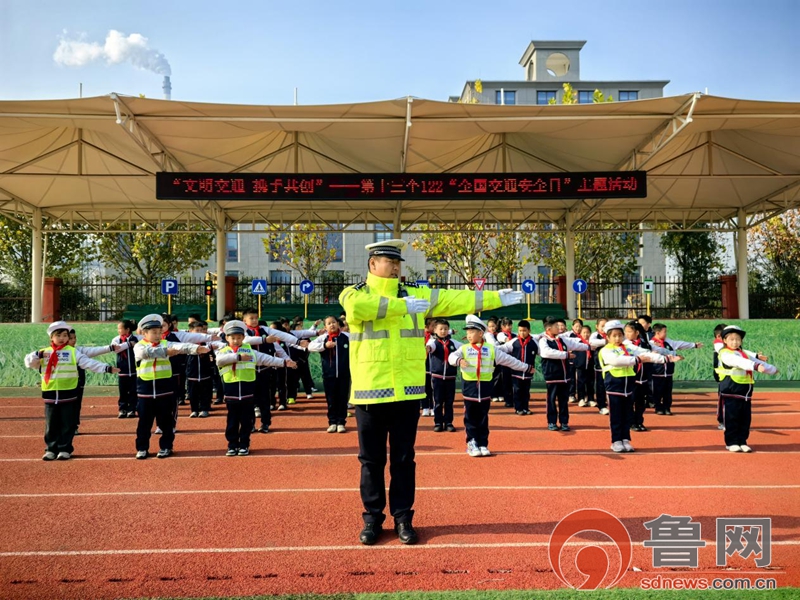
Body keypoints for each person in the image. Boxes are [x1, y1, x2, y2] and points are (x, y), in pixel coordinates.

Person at [339, 239, 524, 546]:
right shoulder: (356, 293)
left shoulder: (416, 292)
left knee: (403, 460)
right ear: (373, 265)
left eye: (398, 263)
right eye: (389, 262)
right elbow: (358, 310)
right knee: (371, 461)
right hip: (370, 393)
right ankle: (372, 519)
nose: (396, 268)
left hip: (408, 392)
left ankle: (402, 518)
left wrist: (494, 298)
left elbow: (453, 298)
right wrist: (401, 306)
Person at [24, 321, 120, 460]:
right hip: (50, 394)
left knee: (67, 423)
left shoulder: (73, 352)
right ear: (51, 338)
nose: (62, 338)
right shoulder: (44, 353)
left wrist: (107, 368)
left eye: (65, 335)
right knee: (51, 424)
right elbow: (29, 363)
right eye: (58, 335)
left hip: (68, 393)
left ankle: (64, 449)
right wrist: (36, 355)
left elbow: (88, 363)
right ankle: (51, 449)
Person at [449, 315, 533, 457]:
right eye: (467, 332)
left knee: (483, 417)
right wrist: (459, 360)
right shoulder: (463, 348)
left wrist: (526, 367)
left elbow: (510, 360)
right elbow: (451, 357)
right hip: (470, 389)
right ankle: (472, 442)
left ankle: (483, 444)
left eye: (471, 332)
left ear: (481, 333)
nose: (468, 335)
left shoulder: (491, 349)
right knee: (470, 417)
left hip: (486, 389)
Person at [216, 320, 297, 456]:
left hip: (247, 393)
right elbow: (219, 361)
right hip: (231, 393)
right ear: (227, 338)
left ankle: (244, 444)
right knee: (232, 420)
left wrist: (284, 362)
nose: (236, 340)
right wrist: (238, 357)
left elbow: (267, 359)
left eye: (239, 338)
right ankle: (232, 445)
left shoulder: (251, 352)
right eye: (232, 338)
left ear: (243, 338)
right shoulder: (222, 351)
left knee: (246, 420)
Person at [133, 314, 209, 459]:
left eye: (159, 332)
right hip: (145, 391)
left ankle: (166, 446)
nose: (157, 335)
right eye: (153, 332)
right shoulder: (139, 346)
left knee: (166, 421)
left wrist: (196, 349)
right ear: (144, 333)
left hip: (165, 390)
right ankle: (142, 448)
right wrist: (165, 352)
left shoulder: (166, 343)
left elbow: (181, 347)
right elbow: (144, 353)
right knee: (144, 422)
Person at [599, 320, 677, 453]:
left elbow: (645, 353)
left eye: (620, 335)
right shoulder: (606, 350)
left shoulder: (627, 347)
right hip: (614, 386)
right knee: (616, 416)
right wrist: (637, 359)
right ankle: (616, 441)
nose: (618, 338)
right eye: (614, 336)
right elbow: (617, 361)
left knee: (627, 414)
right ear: (608, 337)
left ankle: (625, 439)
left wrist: (665, 358)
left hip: (628, 386)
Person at [716, 325, 778, 453]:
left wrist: (772, 369)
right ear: (725, 341)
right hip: (731, 391)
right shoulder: (725, 353)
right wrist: (755, 366)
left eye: (738, 339)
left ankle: (742, 441)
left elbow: (758, 362)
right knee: (732, 418)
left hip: (745, 393)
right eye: (731, 339)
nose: (735, 342)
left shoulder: (743, 353)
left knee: (745, 418)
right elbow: (739, 362)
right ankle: (732, 442)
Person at [537, 316, 589, 431]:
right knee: (551, 400)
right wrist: (565, 355)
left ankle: (564, 422)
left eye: (560, 326)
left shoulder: (561, 339)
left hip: (564, 376)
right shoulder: (543, 340)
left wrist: (588, 347)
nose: (559, 328)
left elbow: (575, 345)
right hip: (552, 376)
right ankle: (551, 421)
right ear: (549, 328)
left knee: (563, 401)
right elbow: (546, 353)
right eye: (556, 326)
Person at [68, 328, 118, 435]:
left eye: (74, 338)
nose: (73, 340)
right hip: (63, 385)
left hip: (78, 383)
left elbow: (94, 351)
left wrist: (110, 348)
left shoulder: (78, 351)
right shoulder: (57, 353)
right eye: (70, 338)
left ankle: (73, 426)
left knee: (76, 405)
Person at [308, 316, 350, 433]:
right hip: (328, 375)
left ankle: (341, 422)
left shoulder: (346, 337)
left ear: (338, 324)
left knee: (342, 399)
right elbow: (310, 346)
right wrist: (324, 346)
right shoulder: (323, 338)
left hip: (344, 375)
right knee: (331, 400)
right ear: (325, 327)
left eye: (334, 322)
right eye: (329, 323)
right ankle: (332, 422)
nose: (332, 325)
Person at [649, 323, 702, 415]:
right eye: (664, 332)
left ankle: (667, 408)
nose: (666, 333)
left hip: (669, 372)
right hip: (657, 372)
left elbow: (681, 344)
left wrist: (694, 345)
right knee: (657, 392)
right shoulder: (650, 344)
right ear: (657, 332)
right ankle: (658, 408)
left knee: (668, 392)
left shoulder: (669, 342)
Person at [425, 318, 461, 432]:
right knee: (438, 401)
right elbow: (430, 347)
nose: (443, 331)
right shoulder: (432, 342)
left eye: (446, 329)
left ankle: (449, 422)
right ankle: (438, 422)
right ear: (435, 330)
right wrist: (428, 348)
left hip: (450, 377)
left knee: (449, 401)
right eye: (441, 329)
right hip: (437, 377)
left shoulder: (453, 342)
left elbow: (464, 348)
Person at [497, 319, 537, 415]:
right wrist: (491, 349)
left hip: (528, 372)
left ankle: (525, 408)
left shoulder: (534, 342)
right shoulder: (514, 341)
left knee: (526, 391)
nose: (522, 333)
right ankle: (518, 408)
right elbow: (503, 348)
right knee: (517, 390)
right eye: (520, 331)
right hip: (516, 372)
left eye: (524, 331)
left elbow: (542, 352)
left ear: (529, 331)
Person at [185, 320, 214, 418]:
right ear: (190, 331)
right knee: (193, 393)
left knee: (205, 392)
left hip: (205, 372)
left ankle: (204, 409)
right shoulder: (187, 344)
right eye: (197, 330)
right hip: (192, 373)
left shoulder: (207, 343)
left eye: (201, 330)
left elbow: (213, 354)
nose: (200, 333)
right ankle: (194, 410)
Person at [112, 319, 139, 419]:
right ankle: (122, 409)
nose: (118, 330)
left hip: (133, 370)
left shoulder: (136, 339)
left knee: (133, 391)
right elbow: (116, 348)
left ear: (127, 329)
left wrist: (133, 344)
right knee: (123, 392)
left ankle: (132, 409)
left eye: (120, 328)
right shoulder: (116, 339)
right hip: (122, 370)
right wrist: (128, 344)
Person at [589, 317, 609, 414]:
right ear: (597, 326)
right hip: (600, 365)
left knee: (610, 386)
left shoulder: (611, 335)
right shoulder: (595, 335)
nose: (604, 328)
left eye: (606, 326)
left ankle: (610, 404)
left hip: (611, 366)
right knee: (600, 386)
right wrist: (606, 341)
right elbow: (592, 342)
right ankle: (601, 405)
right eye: (602, 326)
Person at [495, 317, 516, 407]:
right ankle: (508, 400)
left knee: (514, 381)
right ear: (502, 326)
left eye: (510, 325)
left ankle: (515, 399)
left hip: (514, 361)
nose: (509, 327)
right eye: (507, 325)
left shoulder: (514, 334)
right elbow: (505, 339)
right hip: (505, 361)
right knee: (506, 381)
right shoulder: (500, 334)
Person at [575, 324, 595, 408]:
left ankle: (590, 399)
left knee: (590, 382)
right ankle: (581, 399)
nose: (586, 334)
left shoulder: (593, 343)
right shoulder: (577, 342)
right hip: (581, 366)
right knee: (581, 383)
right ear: (581, 333)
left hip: (590, 366)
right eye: (584, 332)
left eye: (587, 332)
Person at [712, 323, 727, 430]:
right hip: (723, 377)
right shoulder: (719, 345)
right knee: (723, 400)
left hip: (731, 378)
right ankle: (722, 421)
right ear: (719, 336)